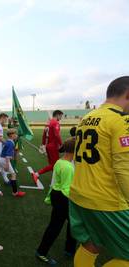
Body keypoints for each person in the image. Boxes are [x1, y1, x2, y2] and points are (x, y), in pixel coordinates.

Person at [69, 77, 129, 267]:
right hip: (106, 199)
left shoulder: (88, 117)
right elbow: (123, 168)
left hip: (78, 195)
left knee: (91, 245)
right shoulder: (120, 120)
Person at [35, 138, 77, 265]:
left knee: (72, 223)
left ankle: (70, 249)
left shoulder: (60, 161)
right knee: (55, 226)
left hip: (57, 195)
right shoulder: (69, 167)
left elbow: (57, 184)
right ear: (74, 150)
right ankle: (41, 252)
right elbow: (66, 189)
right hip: (63, 198)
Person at [0, 129, 26, 197]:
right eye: (15, 134)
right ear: (11, 135)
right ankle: (15, 192)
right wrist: (7, 165)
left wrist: (11, 156)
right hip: (4, 159)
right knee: (13, 175)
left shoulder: (8, 141)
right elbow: (7, 155)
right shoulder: (11, 143)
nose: (16, 135)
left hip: (0, 158)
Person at [32, 110, 63, 183]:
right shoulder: (55, 123)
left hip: (48, 146)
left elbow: (44, 134)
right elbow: (56, 135)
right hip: (53, 146)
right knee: (54, 164)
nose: (61, 117)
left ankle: (56, 179)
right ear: (57, 115)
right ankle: (37, 174)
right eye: (61, 116)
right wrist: (61, 144)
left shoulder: (48, 123)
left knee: (52, 164)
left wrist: (43, 144)